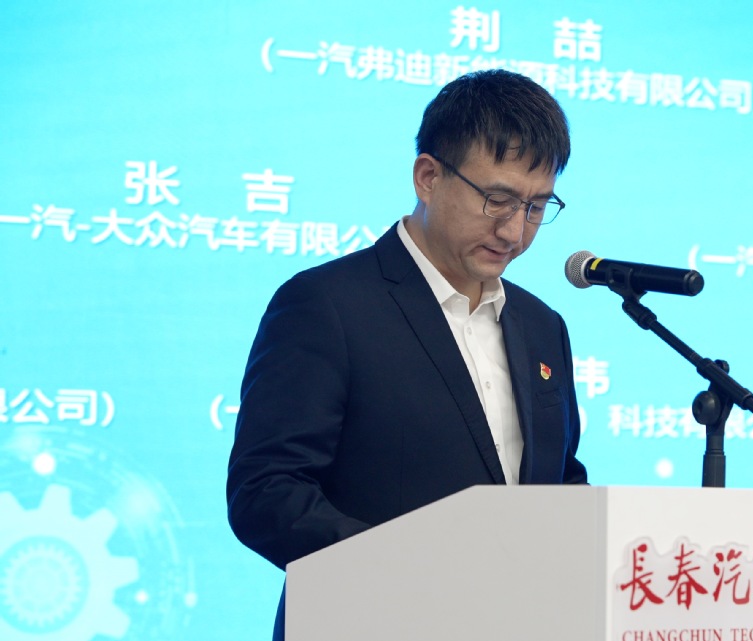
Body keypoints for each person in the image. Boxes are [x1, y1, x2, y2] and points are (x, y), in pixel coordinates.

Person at [226, 69, 588, 640]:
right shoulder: (327, 304)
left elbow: (560, 482)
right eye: (497, 200)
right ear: (428, 177)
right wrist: (413, 573)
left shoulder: (543, 327)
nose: (515, 232)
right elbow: (266, 493)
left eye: (537, 206)